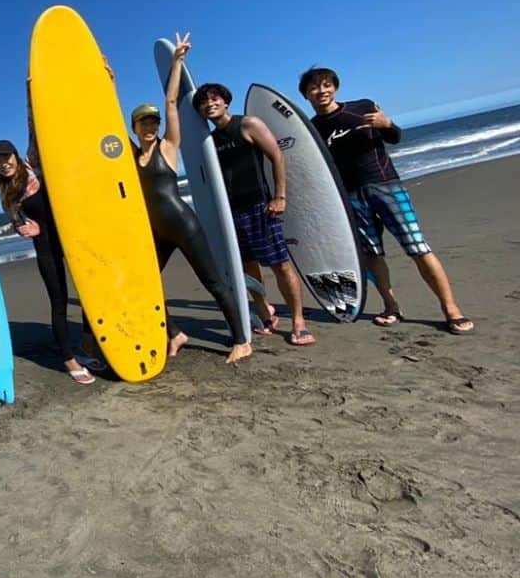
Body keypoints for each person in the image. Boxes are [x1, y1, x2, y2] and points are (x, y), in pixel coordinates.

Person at [299, 67, 474, 334]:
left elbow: (395, 137)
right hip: (349, 197)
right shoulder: (311, 130)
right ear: (306, 95)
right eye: (314, 88)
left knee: (417, 247)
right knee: (372, 254)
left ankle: (451, 309)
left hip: (386, 186)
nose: (321, 91)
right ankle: (391, 306)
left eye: (326, 85)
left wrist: (387, 124)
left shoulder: (362, 107)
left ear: (335, 87)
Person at [131, 33, 252, 363]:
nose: (151, 126)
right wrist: (108, 82)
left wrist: (177, 62)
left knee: (212, 281)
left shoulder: (168, 148)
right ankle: (175, 334)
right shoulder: (129, 157)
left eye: (154, 121)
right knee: (145, 287)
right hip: (157, 232)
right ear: (135, 126)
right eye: (144, 122)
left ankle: (241, 340)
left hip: (183, 223)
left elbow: (171, 104)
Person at [192, 83, 315, 346]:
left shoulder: (247, 125)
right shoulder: (209, 143)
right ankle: (264, 310)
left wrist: (280, 196)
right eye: (204, 102)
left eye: (214, 99)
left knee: (280, 265)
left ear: (225, 101)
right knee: (247, 267)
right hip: (232, 213)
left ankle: (298, 322)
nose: (210, 104)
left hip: (261, 207)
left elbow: (276, 156)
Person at [0, 140, 98, 384]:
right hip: (46, 247)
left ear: (16, 156)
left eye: (6, 157)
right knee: (59, 301)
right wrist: (25, 228)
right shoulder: (7, 195)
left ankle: (87, 344)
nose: (3, 163)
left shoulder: (34, 167)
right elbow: (17, 223)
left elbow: (37, 129)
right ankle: (69, 359)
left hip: (71, 239)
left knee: (91, 293)